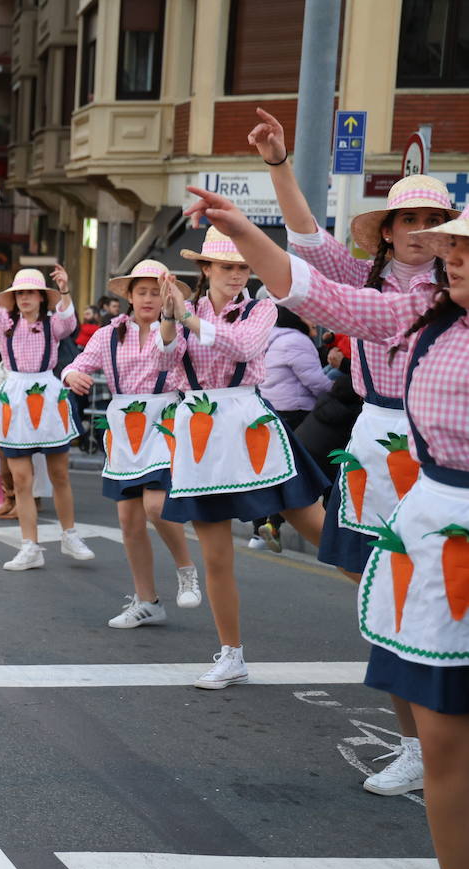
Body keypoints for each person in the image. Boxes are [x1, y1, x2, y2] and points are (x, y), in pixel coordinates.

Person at [184, 186, 469, 869]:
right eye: (449, 245)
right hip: (422, 507)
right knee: (438, 724)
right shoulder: (418, 310)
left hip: (438, 506)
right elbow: (319, 289)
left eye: (457, 240)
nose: (450, 255)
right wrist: (244, 224)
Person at [252, 110, 455, 797]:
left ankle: (435, 741)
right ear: (390, 231)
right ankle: (415, 744)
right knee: (385, 598)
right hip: (375, 437)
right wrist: (280, 164)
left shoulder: (453, 292)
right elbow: (305, 241)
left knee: (430, 599)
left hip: (443, 454)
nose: (423, 234)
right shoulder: (367, 284)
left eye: (437, 222)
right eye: (410, 221)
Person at [154, 225, 330, 688]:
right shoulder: (185, 311)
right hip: (200, 430)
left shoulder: (262, 307)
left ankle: (397, 608)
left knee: (322, 531)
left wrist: (187, 320)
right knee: (215, 556)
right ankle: (231, 655)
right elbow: (162, 364)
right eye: (228, 266)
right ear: (205, 267)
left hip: (249, 421)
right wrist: (171, 318)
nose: (237, 275)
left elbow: (245, 347)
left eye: (243, 267)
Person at [62, 260, 201, 626]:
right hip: (123, 424)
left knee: (156, 505)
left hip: (164, 419)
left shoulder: (174, 330)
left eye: (156, 292)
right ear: (130, 296)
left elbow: (167, 354)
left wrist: (170, 319)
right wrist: (72, 374)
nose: (149, 298)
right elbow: (78, 363)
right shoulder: (109, 334)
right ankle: (147, 600)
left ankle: (186, 570)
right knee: (128, 520)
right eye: (142, 292)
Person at [0, 261, 96, 570]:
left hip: (48, 394)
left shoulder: (53, 324)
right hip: (14, 397)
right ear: (13, 298)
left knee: (60, 473)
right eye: (20, 293)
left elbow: (69, 321)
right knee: (22, 478)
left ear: (41, 297)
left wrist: (65, 288)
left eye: (31, 293)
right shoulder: (2, 324)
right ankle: (30, 546)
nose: (25, 298)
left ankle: (69, 534)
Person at [251, 306, 332, 550]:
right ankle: (287, 525)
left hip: (272, 410)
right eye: (309, 314)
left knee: (273, 472)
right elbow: (315, 381)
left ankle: (261, 530)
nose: (315, 320)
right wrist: (339, 389)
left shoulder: (271, 338)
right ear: (296, 315)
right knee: (305, 473)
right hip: (298, 413)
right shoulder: (296, 340)